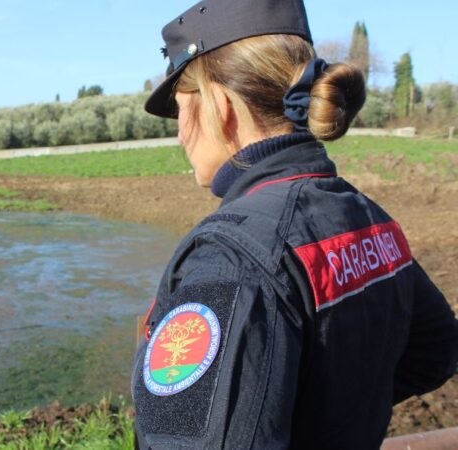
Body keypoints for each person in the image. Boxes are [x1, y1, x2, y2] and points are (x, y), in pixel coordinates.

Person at [131, 0, 458, 449]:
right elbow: (435, 351)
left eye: (183, 110)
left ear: (220, 106)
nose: (181, 134)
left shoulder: (232, 256)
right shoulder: (369, 218)